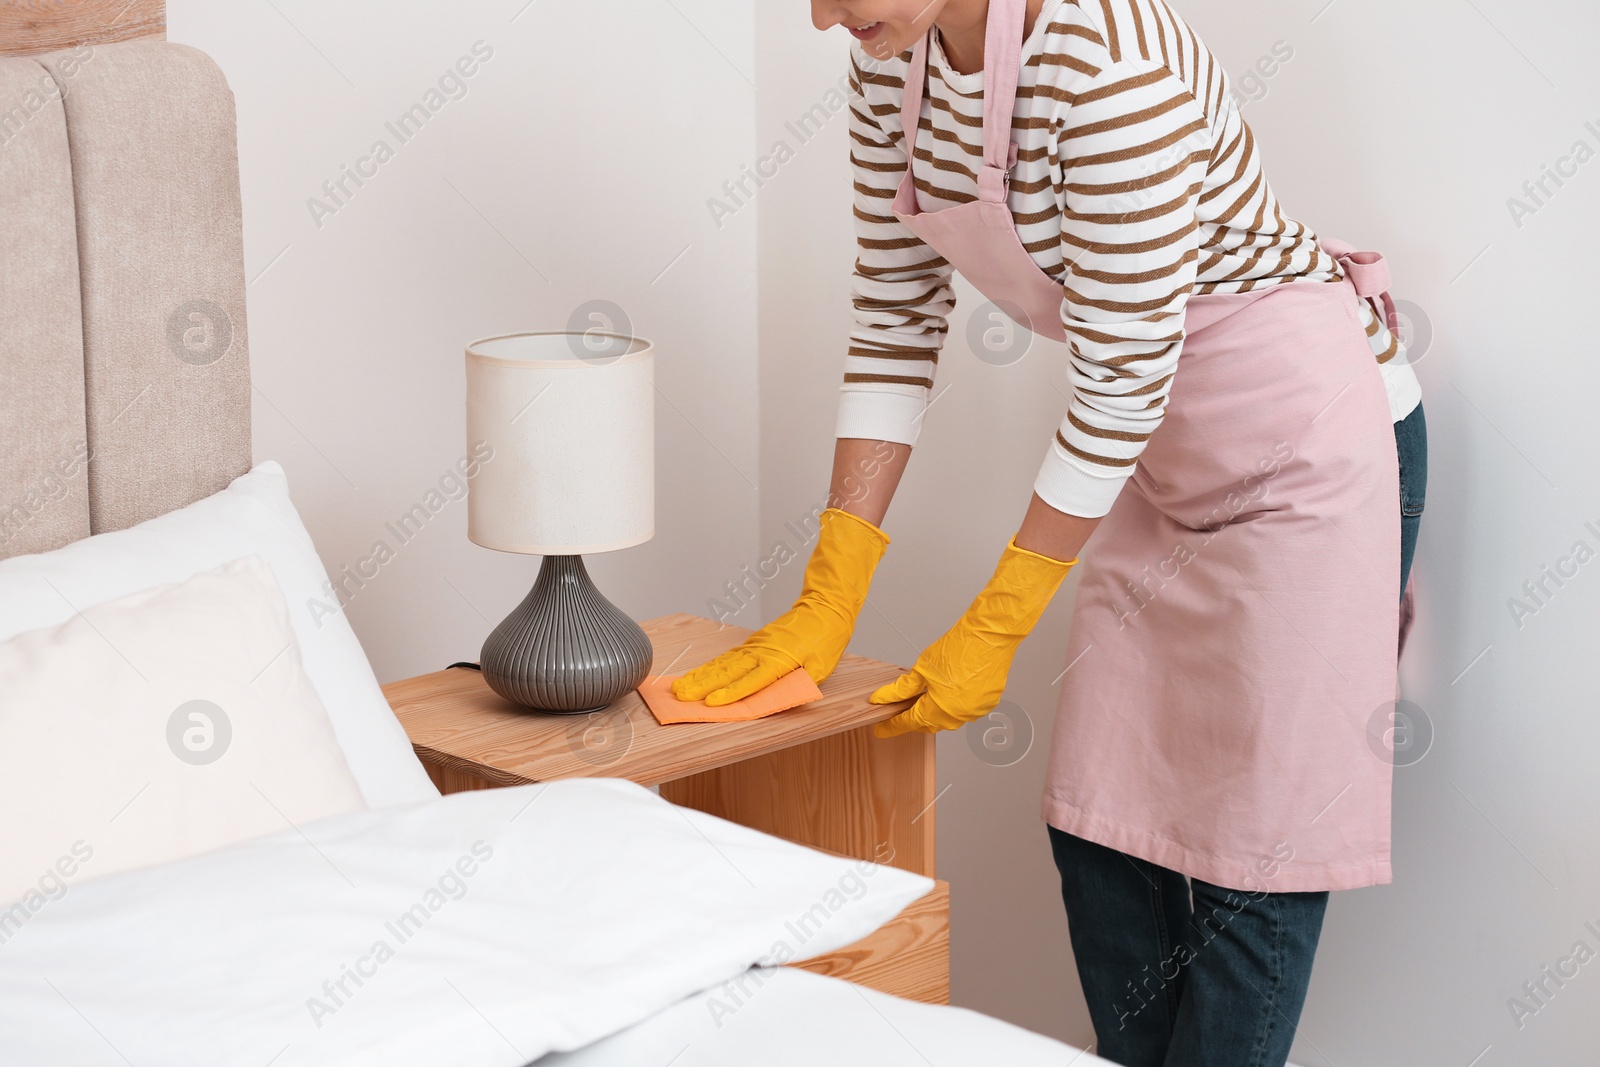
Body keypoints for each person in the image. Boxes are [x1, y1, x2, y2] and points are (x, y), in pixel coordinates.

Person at [673, 1, 1429, 1063]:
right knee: (1099, 824)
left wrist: (997, 618)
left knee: (1250, 859)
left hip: (1302, 451)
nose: (818, 16)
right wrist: (829, 585)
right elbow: (895, 314)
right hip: (1154, 457)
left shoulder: (1112, 68)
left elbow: (1120, 378)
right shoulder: (893, 59)